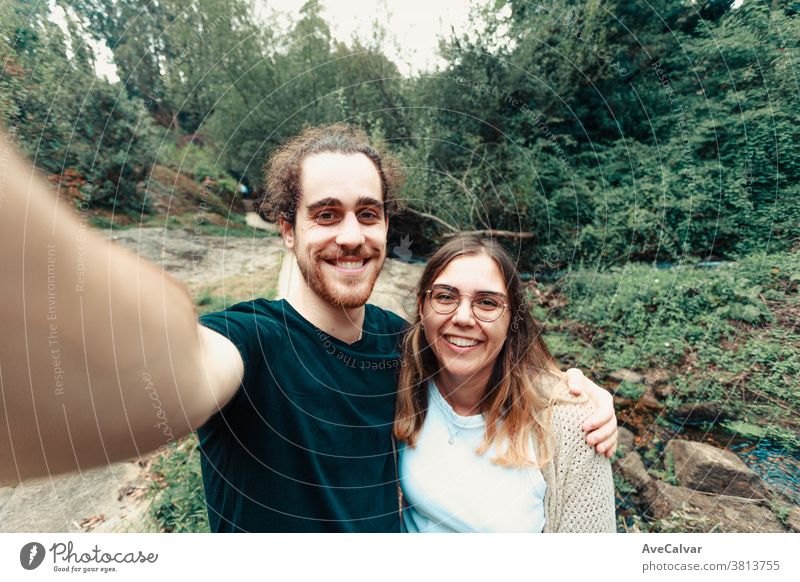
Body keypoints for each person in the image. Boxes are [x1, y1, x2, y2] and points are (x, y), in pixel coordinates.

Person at [0, 124, 618, 532]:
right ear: (288, 229)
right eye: (326, 214)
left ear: (384, 230)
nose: (351, 235)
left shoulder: (394, 342)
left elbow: (480, 353)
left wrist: (575, 393)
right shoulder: (249, 343)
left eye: (367, 215)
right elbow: (163, 372)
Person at [395, 236, 616, 532]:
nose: (462, 318)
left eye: (487, 302)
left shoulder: (573, 424)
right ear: (422, 307)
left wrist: (583, 396)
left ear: (512, 319)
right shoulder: (398, 384)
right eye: (445, 296)